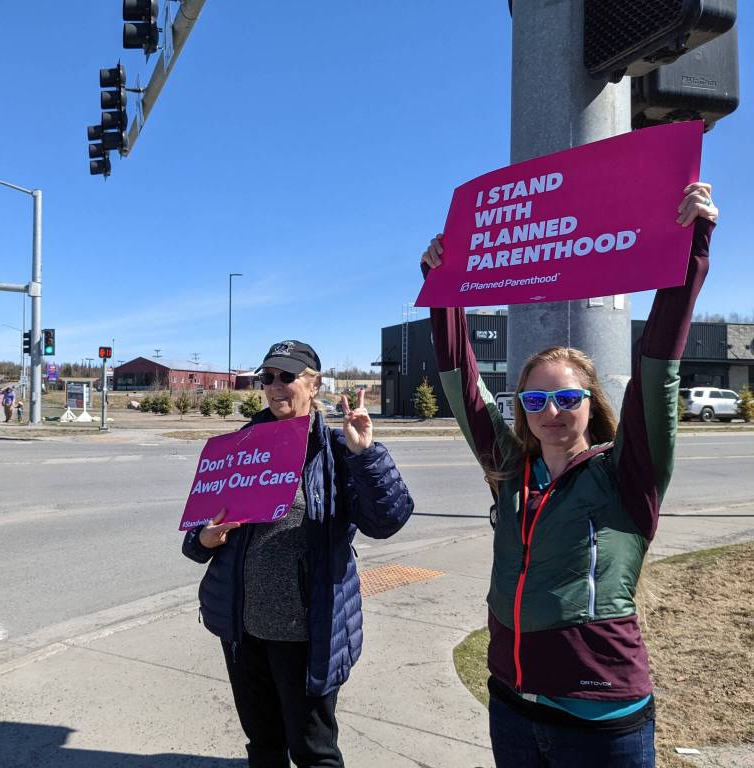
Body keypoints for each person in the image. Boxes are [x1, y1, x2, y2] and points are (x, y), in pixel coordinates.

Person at [419, 182, 717, 768]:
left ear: (591, 401)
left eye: (566, 398)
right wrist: (444, 288)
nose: (550, 413)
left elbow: (658, 370)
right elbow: (462, 385)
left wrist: (691, 248)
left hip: (600, 719)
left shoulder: (628, 474)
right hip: (510, 702)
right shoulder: (510, 472)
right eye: (534, 402)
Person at [182, 340, 414, 767]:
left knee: (313, 751)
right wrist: (205, 540)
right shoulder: (239, 448)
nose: (274, 386)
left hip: (307, 634)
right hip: (243, 630)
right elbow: (196, 536)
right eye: (266, 377)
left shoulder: (337, 451)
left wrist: (366, 455)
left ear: (314, 384)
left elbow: (386, 522)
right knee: (264, 746)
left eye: (287, 376)